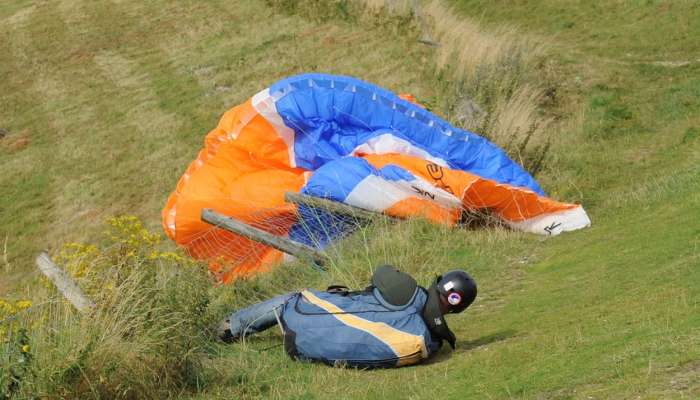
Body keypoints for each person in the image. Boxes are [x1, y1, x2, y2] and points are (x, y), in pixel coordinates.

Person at [218, 265, 477, 368]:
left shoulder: (407, 289)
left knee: (291, 300)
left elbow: (382, 272)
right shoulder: (430, 345)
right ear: (457, 308)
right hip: (304, 352)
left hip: (300, 317)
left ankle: (231, 327)